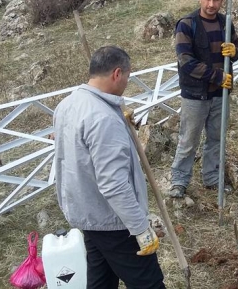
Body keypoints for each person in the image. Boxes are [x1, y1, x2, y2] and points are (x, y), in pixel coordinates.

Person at [53, 46, 165, 289]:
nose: (127, 81)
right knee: (149, 283)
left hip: (86, 213)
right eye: (127, 75)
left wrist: (121, 124)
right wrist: (140, 227)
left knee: (101, 280)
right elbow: (113, 184)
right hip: (114, 221)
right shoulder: (102, 118)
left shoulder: (68, 104)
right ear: (117, 74)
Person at [169, 0, 238, 198]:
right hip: (195, 94)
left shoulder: (225, 23)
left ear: (221, 0)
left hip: (220, 94)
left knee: (216, 139)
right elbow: (186, 61)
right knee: (189, 139)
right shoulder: (187, 24)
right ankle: (179, 181)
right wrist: (217, 76)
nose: (211, 4)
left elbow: (236, 50)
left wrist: (234, 51)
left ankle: (212, 178)